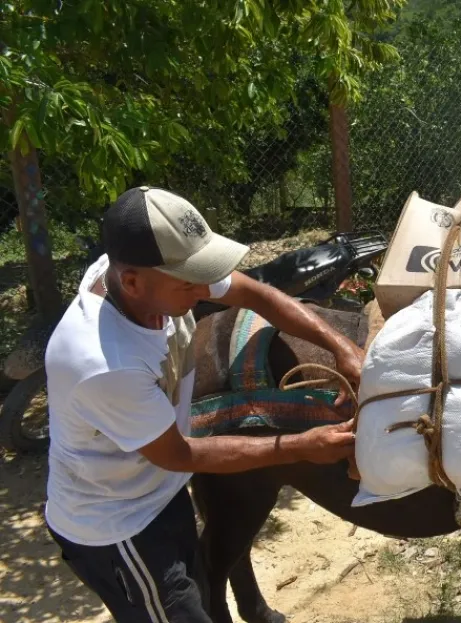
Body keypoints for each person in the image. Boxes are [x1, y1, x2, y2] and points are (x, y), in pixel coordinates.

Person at [44, 186, 364, 622]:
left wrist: (340, 345)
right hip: (119, 528)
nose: (205, 288)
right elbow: (179, 453)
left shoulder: (145, 276)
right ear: (133, 281)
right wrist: (298, 446)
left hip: (157, 493)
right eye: (191, 281)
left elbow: (257, 294)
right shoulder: (104, 362)